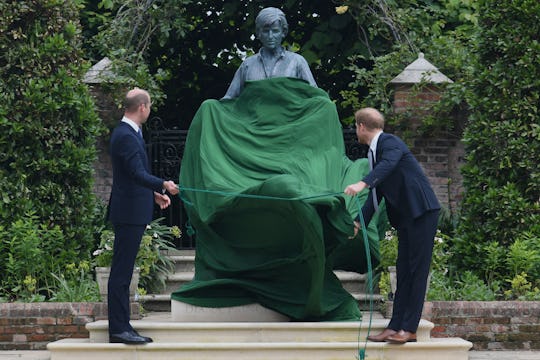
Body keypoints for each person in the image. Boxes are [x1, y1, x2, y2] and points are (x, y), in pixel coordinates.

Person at [344, 108, 440, 344]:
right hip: (408, 217)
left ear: (361, 126)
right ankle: (395, 325)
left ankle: (409, 329)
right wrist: (359, 222)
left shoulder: (389, 143)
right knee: (404, 270)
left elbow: (388, 164)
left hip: (422, 212)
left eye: (356, 127)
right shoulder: (375, 152)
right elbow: (377, 195)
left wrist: (362, 182)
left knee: (416, 271)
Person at [108, 88, 179, 344]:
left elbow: (130, 176)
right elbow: (137, 173)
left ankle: (123, 326)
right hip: (128, 213)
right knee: (121, 273)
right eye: (149, 106)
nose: (149, 110)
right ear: (142, 107)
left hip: (133, 209)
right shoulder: (126, 135)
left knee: (124, 272)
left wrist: (152, 195)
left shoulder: (131, 133)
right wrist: (164, 185)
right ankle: (118, 330)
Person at [222, 7, 317, 99]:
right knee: (210, 105)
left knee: (325, 103)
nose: (270, 36)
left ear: (283, 32)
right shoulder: (248, 64)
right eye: (266, 31)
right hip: (253, 114)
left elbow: (315, 95)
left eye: (275, 31)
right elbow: (229, 98)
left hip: (289, 113)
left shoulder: (297, 61)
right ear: (259, 33)